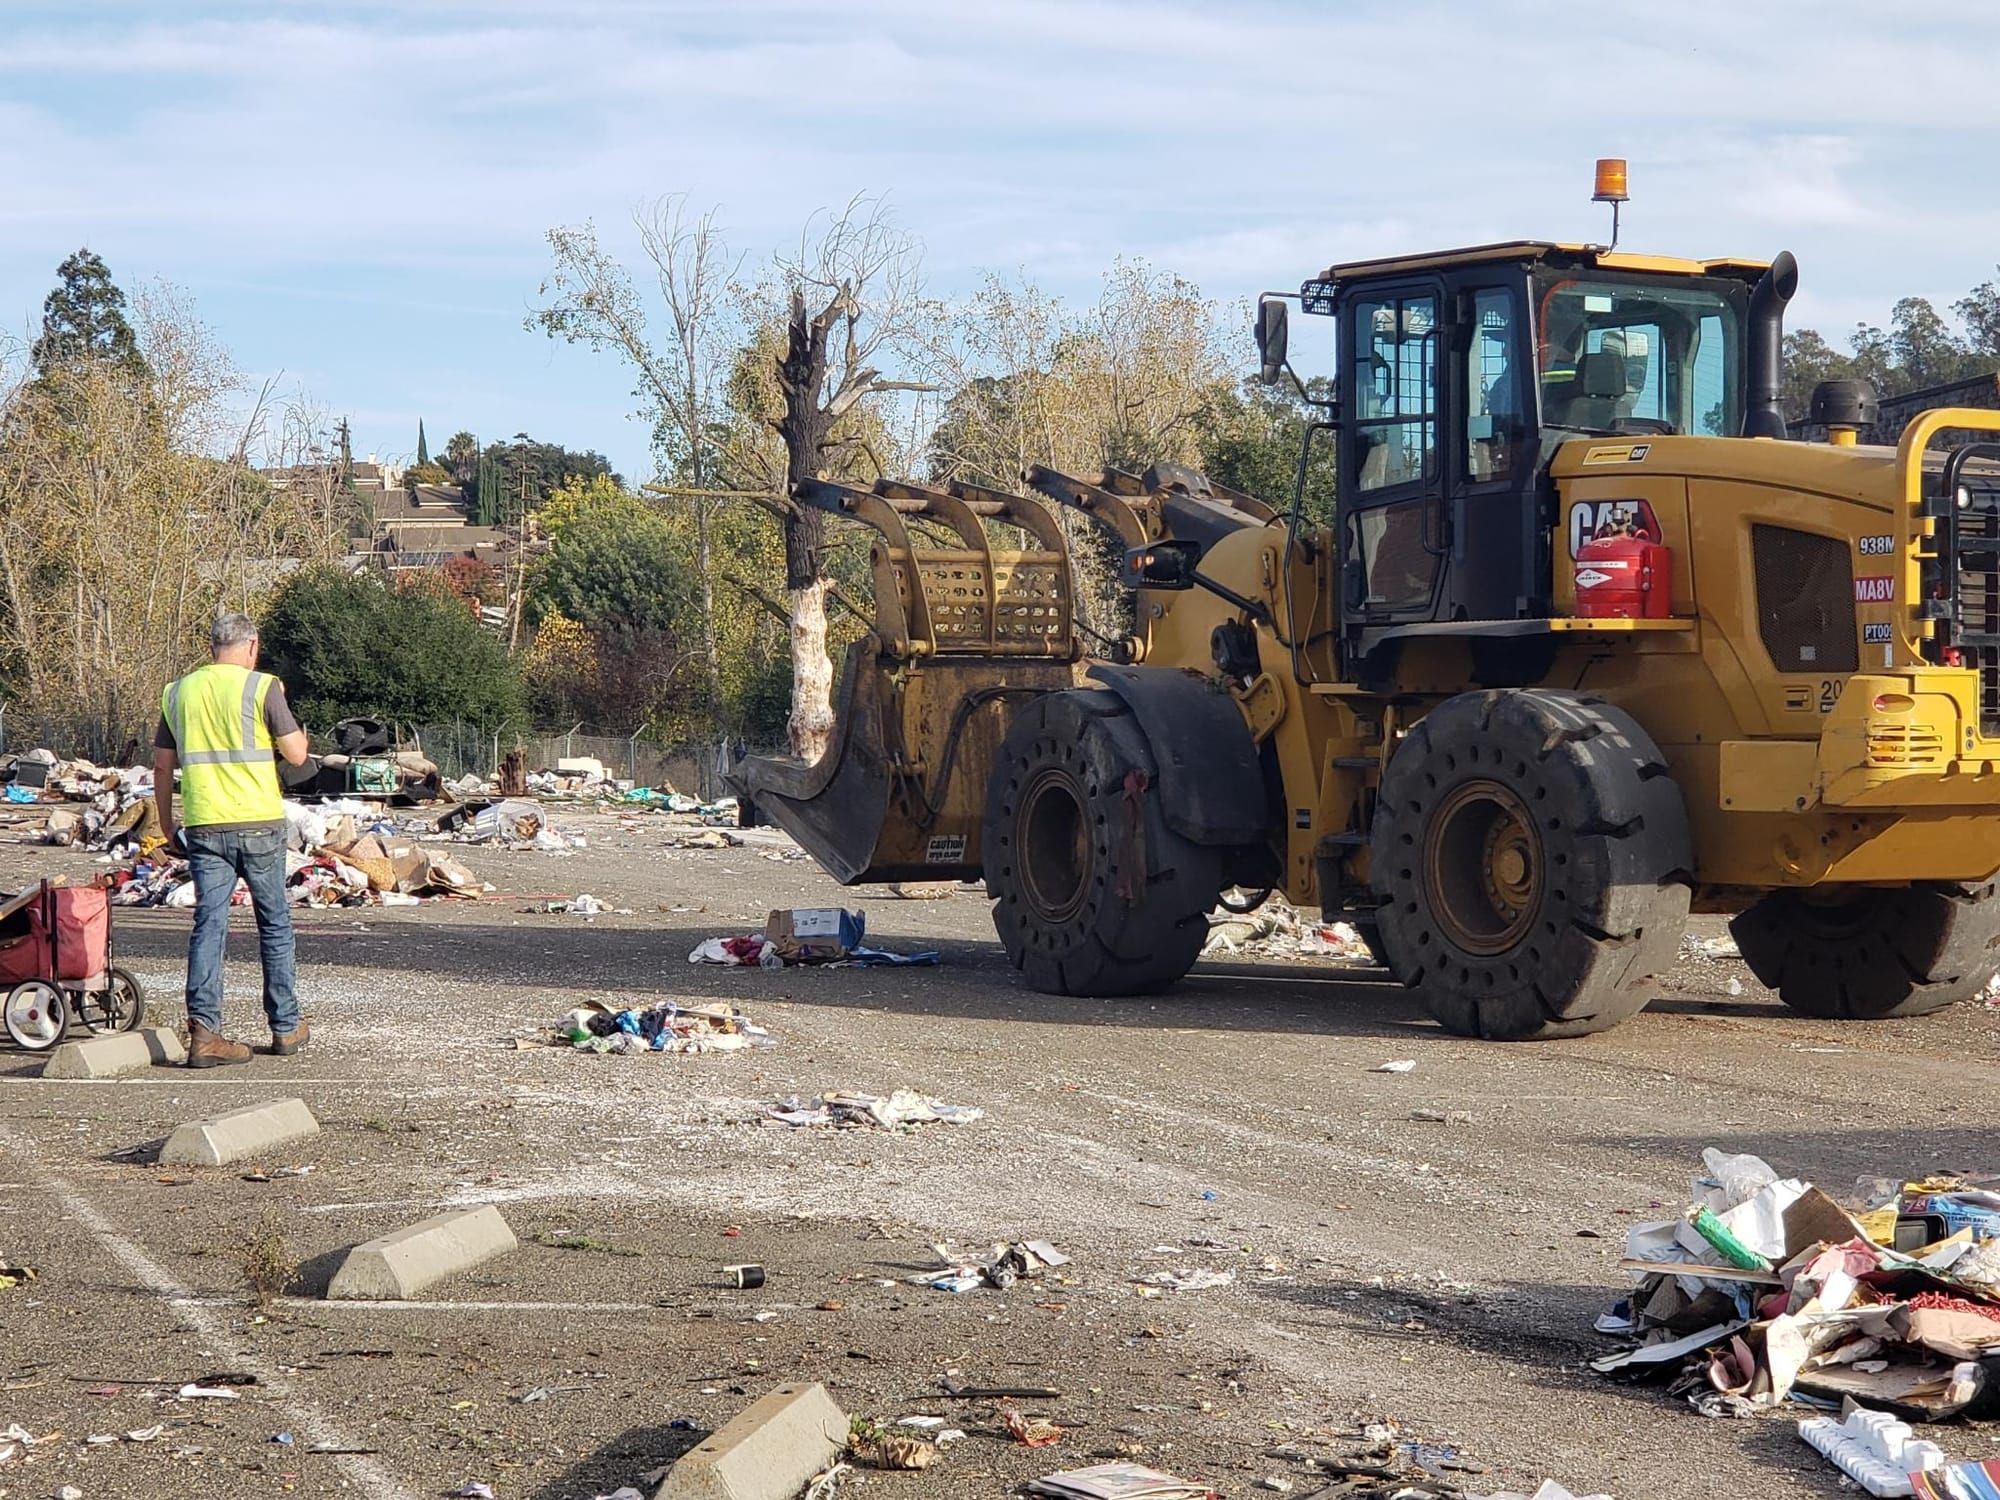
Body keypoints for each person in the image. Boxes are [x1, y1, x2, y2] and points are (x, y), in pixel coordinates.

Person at [152, 613, 313, 1068]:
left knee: (210, 925)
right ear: (252, 646)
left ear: (211, 649)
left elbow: (162, 767)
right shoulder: (263, 687)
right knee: (274, 924)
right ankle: (285, 1027)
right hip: (259, 821)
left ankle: (204, 1032)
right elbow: (297, 755)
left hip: (204, 825)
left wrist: (167, 826)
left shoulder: (178, 692)